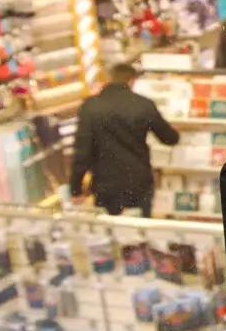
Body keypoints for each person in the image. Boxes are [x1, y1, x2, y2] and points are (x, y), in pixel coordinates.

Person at [69, 62, 180, 217]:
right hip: (138, 181)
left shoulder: (90, 106)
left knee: (109, 231)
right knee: (140, 232)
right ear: (132, 80)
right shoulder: (143, 105)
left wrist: (75, 188)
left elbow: (82, 151)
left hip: (105, 183)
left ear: (109, 79)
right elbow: (169, 139)